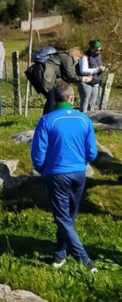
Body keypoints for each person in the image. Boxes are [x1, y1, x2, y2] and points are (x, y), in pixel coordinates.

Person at [31, 84, 98, 273]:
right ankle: (59, 255)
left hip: (56, 173)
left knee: (63, 218)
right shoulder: (84, 120)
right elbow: (92, 152)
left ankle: (84, 260)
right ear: (72, 98)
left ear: (54, 100)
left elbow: (38, 153)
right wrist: (81, 162)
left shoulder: (46, 120)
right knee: (69, 217)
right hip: (78, 173)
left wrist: (43, 169)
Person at [77, 40, 107, 113]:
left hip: (95, 81)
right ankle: (83, 118)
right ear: (91, 48)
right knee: (85, 101)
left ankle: (91, 120)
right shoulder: (84, 57)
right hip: (85, 82)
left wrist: (104, 68)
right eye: (96, 50)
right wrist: (97, 69)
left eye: (99, 50)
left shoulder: (99, 56)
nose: (98, 52)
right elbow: (83, 70)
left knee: (92, 104)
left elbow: (99, 66)